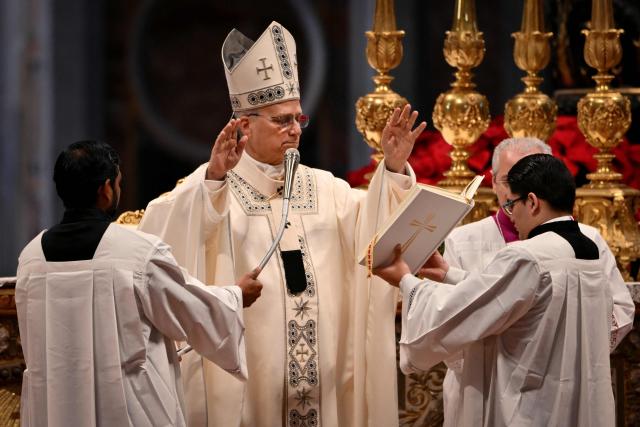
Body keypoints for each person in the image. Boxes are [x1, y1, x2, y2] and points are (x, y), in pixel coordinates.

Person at [138, 21, 426, 427]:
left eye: (299, 119)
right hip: (248, 393)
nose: (294, 131)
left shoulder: (325, 189)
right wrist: (214, 179)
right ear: (243, 124)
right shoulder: (212, 189)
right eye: (281, 121)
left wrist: (393, 168)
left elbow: (374, 235)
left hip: (322, 390)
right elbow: (160, 238)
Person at [16, 140, 263, 426]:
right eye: (118, 183)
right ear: (106, 189)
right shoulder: (135, 253)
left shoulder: (31, 258)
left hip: (55, 411)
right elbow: (191, 309)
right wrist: (236, 295)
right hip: (126, 411)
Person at [374, 154, 628, 426]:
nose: (511, 215)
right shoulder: (588, 251)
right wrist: (448, 275)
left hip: (534, 407)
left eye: (511, 204)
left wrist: (407, 281)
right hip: (577, 401)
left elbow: (456, 313)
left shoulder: (528, 255)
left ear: (532, 202)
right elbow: (511, 297)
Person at [440, 138, 635, 426]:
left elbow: (619, 308)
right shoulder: (464, 240)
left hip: (565, 384)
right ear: (493, 182)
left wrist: (569, 351)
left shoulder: (588, 240)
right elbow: (459, 311)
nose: (512, 193)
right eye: (509, 179)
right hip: (478, 386)